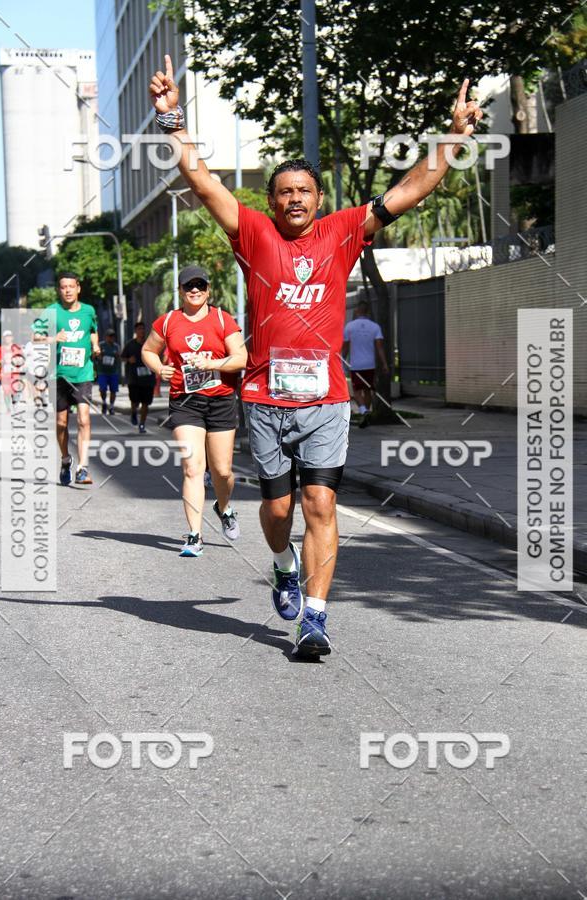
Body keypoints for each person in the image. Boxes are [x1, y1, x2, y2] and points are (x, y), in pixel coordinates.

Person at [149, 56, 482, 656]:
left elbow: (406, 189)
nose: (294, 199)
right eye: (284, 192)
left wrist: (453, 139)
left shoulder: (345, 230)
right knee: (277, 511)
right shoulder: (253, 232)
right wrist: (171, 117)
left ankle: (316, 617)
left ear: (318, 197)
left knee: (320, 502)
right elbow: (203, 181)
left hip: (326, 398)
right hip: (264, 398)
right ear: (272, 201)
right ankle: (281, 566)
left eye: (304, 190)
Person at [141, 265, 247, 557]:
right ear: (181, 291)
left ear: (208, 290)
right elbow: (148, 350)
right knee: (193, 468)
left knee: (223, 472)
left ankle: (224, 508)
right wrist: (158, 368)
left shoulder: (222, 320)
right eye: (189, 286)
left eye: (200, 285)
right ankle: (194, 535)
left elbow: (241, 358)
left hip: (221, 400)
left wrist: (212, 364)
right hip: (185, 403)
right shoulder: (168, 322)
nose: (195, 290)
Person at [48, 272, 100, 485]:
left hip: (83, 374)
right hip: (59, 376)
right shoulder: (52, 311)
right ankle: (66, 459)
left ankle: (82, 467)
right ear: (59, 290)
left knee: (83, 419)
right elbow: (34, 336)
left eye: (71, 286)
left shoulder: (89, 311)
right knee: (61, 424)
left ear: (78, 288)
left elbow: (93, 331)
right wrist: (53, 338)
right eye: (63, 287)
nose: (67, 290)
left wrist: (95, 345)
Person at [342, 300, 389, 428]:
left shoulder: (350, 327)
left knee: (357, 391)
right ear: (368, 312)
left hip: (356, 364)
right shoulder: (375, 327)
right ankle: (365, 414)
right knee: (368, 390)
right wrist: (384, 364)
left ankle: (364, 411)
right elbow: (380, 347)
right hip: (370, 364)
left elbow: (345, 347)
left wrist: (342, 361)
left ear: (357, 311)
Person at [122, 322, 156, 432]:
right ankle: (133, 412)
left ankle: (142, 424)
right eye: (139, 329)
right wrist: (128, 360)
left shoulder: (150, 344)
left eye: (143, 329)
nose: (141, 331)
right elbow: (122, 357)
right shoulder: (130, 344)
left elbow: (157, 356)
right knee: (135, 402)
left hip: (148, 379)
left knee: (146, 403)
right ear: (135, 331)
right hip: (134, 379)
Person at [97, 328, 121, 415]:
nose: (111, 338)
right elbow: (96, 355)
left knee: (113, 390)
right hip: (102, 371)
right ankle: (104, 402)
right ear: (106, 337)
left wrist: (118, 356)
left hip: (113, 371)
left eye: (113, 336)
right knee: (103, 389)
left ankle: (111, 406)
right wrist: (99, 356)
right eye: (110, 336)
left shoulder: (116, 346)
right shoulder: (101, 345)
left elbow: (120, 357)